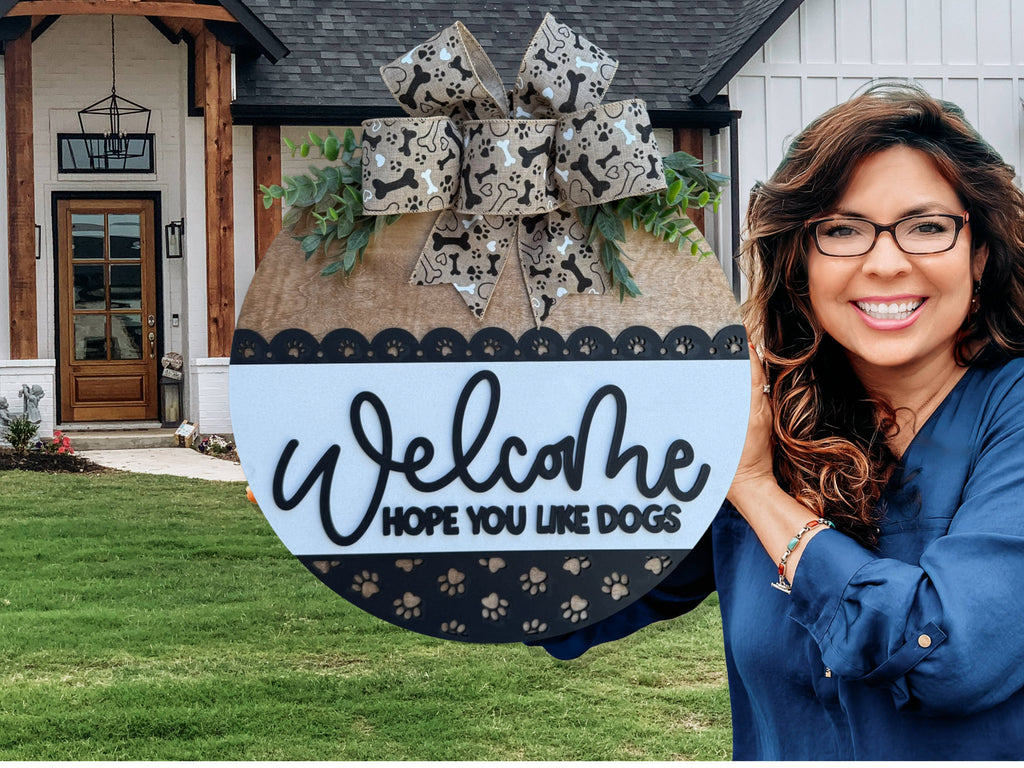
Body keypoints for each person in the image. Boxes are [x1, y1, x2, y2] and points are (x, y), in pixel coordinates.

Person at [535, 83, 1024, 760]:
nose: (886, 263)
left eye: (927, 227)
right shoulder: (767, 415)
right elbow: (569, 601)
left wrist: (755, 488)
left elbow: (950, 656)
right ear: (800, 264)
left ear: (979, 255)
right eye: (842, 230)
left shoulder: (1008, 414)